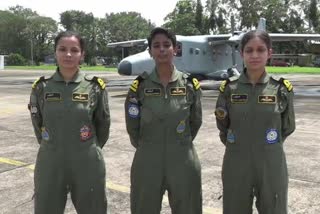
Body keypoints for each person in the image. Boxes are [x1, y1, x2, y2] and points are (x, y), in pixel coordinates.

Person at [28, 31, 110, 214]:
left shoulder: (95, 86)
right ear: (55, 52)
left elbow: (103, 124)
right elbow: (37, 122)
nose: (68, 54)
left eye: (74, 50)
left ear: (82, 55)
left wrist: (89, 147)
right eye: (62, 49)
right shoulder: (41, 86)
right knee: (46, 207)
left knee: (93, 208)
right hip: (50, 159)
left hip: (87, 160)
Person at [215, 30, 296, 214]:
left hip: (270, 161)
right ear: (241, 53)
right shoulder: (229, 88)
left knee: (273, 208)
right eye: (249, 50)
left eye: (260, 50)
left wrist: (266, 145)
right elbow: (223, 125)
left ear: (269, 53)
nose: (255, 55)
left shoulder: (281, 89)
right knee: (235, 207)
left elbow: (287, 126)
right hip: (236, 160)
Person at [125, 27, 203, 214]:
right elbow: (132, 126)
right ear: (150, 51)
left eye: (167, 45)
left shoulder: (190, 85)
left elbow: (195, 121)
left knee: (188, 207)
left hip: (183, 159)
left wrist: (179, 143)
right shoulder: (139, 87)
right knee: (144, 207)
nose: (162, 49)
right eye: (156, 46)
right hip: (148, 159)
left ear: (175, 49)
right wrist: (148, 145)